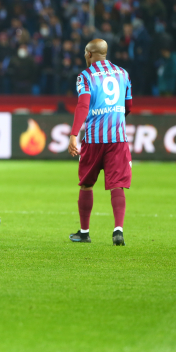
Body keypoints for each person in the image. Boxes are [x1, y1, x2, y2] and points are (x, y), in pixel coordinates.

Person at [68, 39, 132, 246]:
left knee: (87, 184)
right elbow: (129, 106)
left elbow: (83, 105)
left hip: (94, 139)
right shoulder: (123, 73)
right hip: (118, 139)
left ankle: (84, 232)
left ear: (89, 54)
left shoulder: (85, 76)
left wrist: (73, 134)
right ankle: (118, 230)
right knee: (117, 185)